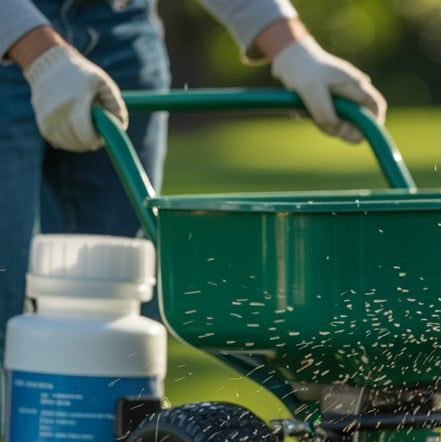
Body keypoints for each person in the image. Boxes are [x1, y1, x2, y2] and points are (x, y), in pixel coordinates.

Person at [0, 0, 385, 358]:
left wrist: (293, 47)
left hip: (119, 26)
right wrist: (39, 52)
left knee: (124, 298)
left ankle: (121, 428)